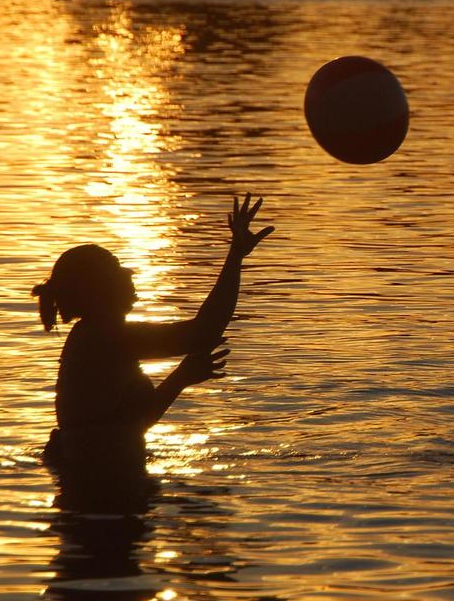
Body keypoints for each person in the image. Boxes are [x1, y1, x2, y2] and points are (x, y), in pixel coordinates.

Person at [32, 193, 274, 495]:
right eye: (116, 268)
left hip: (101, 482)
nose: (128, 272)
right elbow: (203, 332)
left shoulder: (97, 336)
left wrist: (180, 378)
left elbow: (127, 424)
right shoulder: (105, 337)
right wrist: (235, 255)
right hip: (101, 486)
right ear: (98, 289)